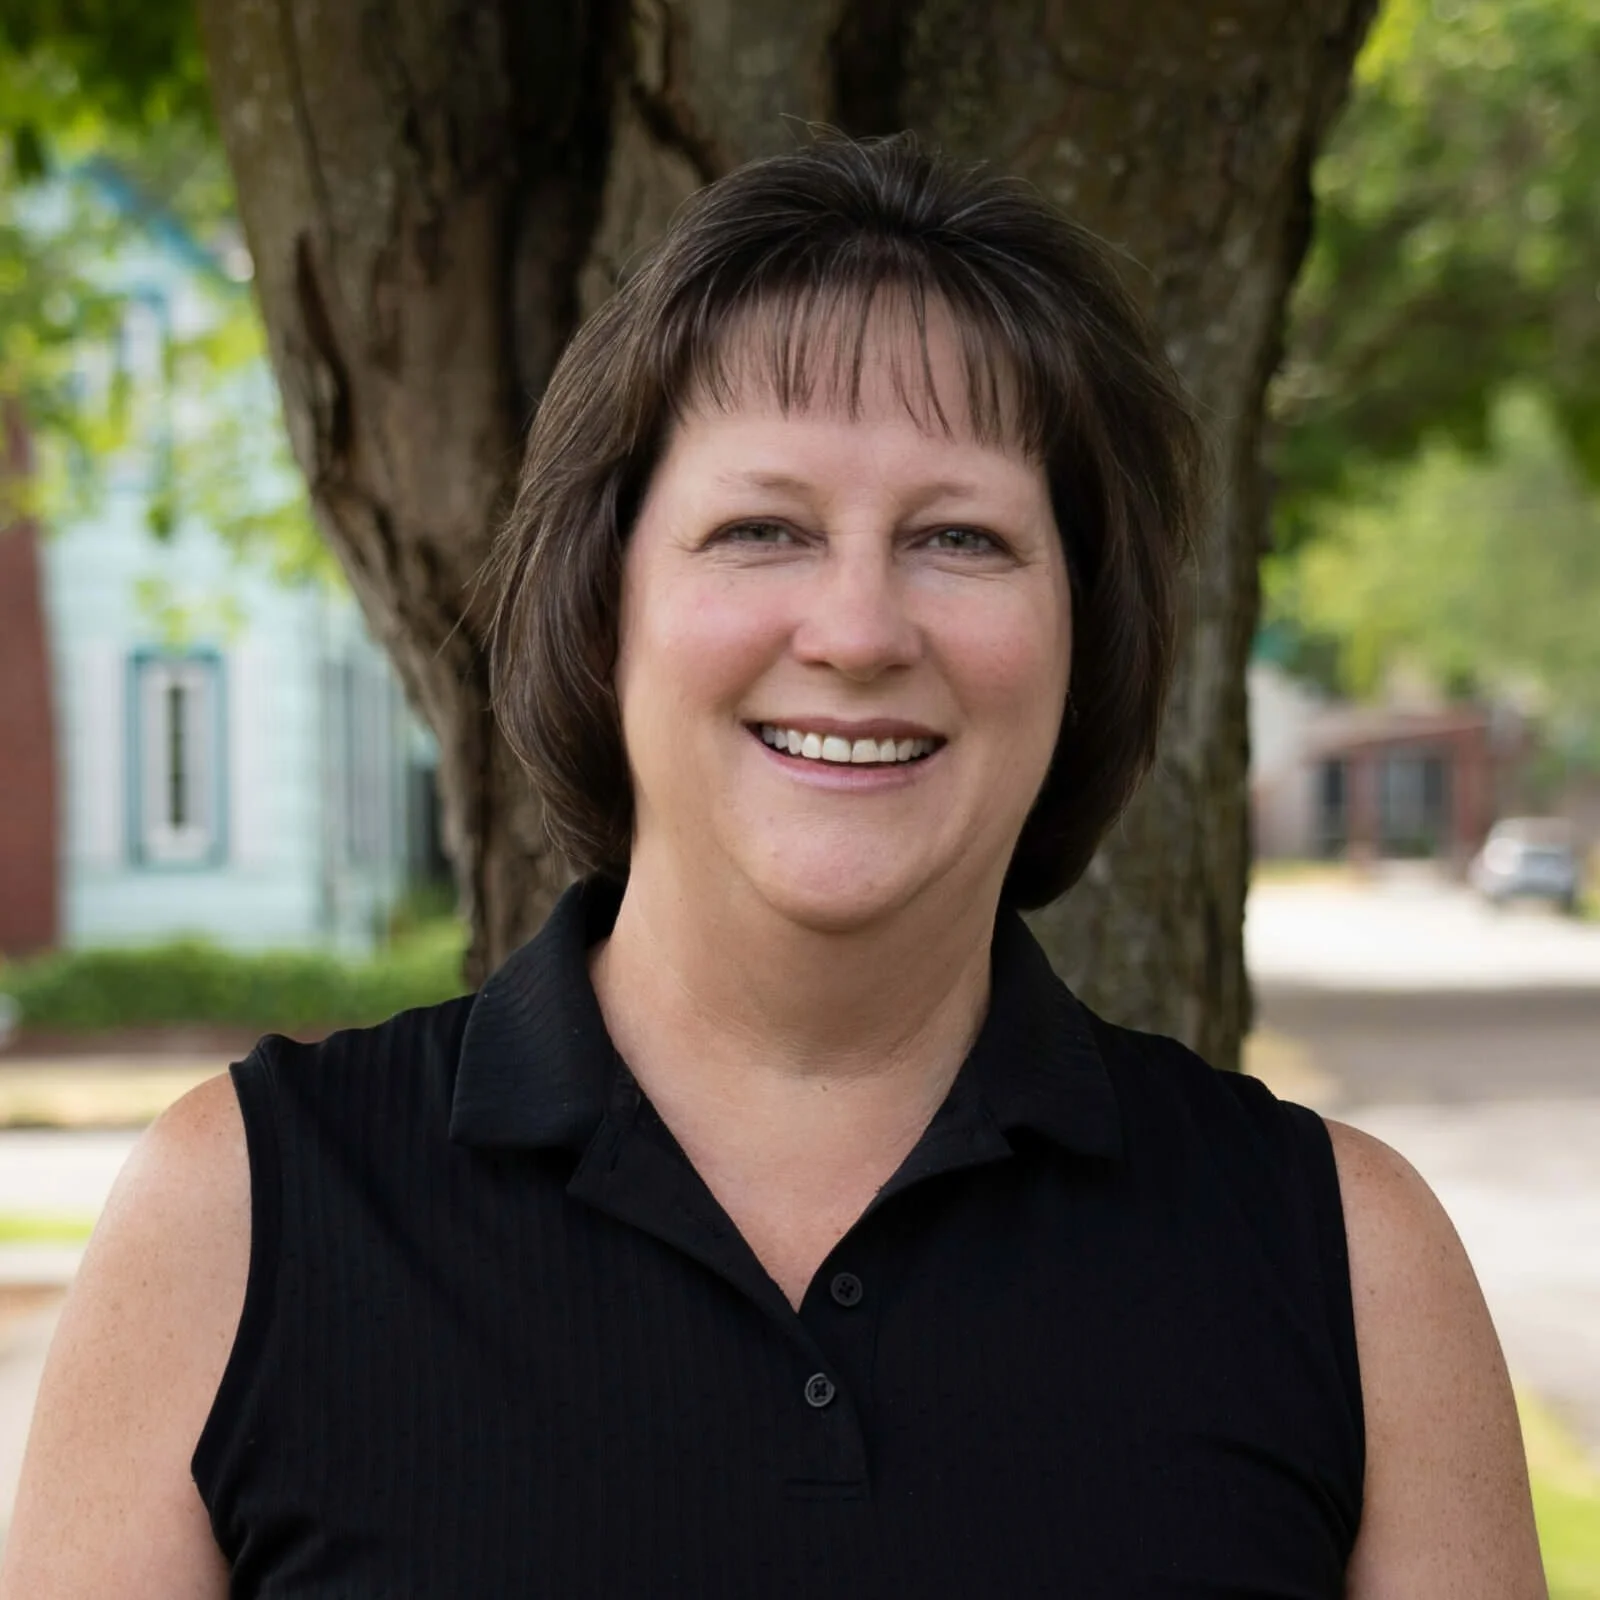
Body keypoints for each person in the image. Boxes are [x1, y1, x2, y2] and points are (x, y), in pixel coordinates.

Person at [1, 135, 1545, 1598]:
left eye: (962, 539)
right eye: (761, 530)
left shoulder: (1349, 1266)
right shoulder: (241, 1223)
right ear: (606, 609)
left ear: (1088, 641)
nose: (861, 630)